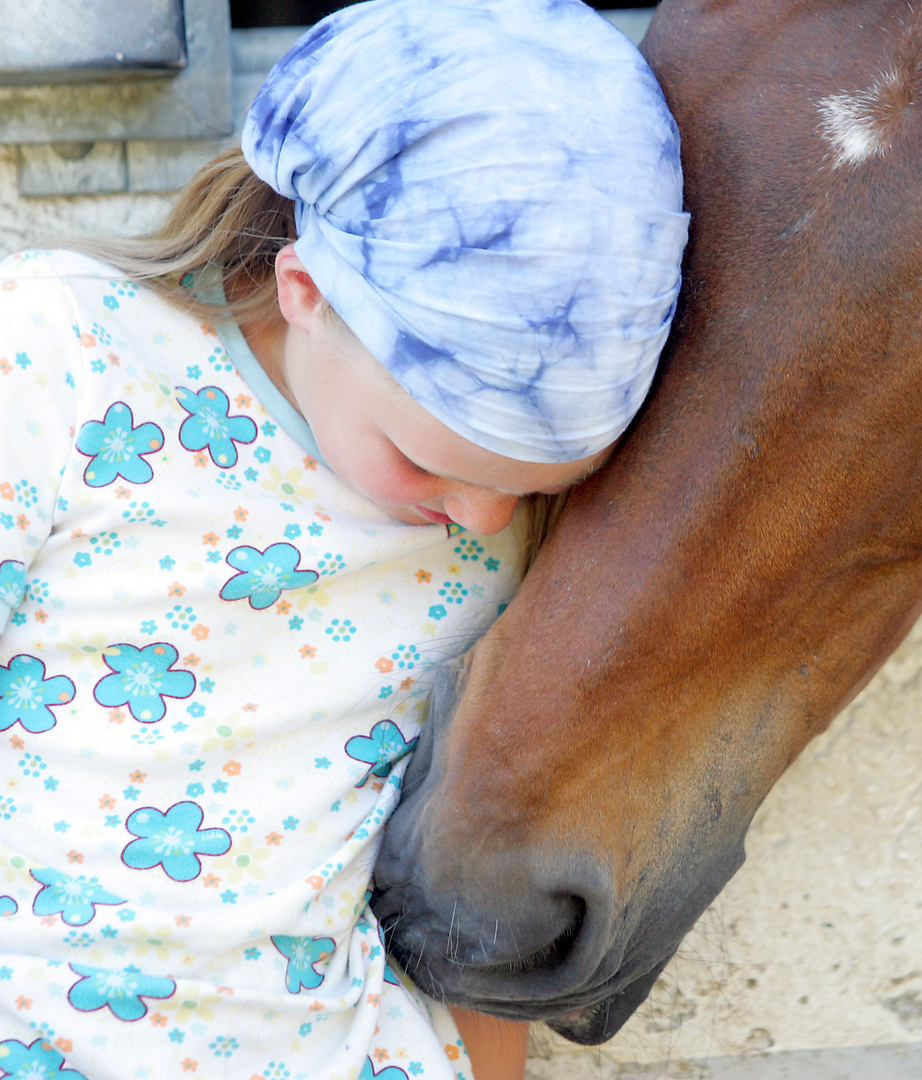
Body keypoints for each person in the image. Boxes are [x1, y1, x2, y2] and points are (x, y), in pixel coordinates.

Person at [0, 1, 688, 1077]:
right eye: (432, 461)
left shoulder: (494, 522)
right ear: (305, 294)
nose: (482, 520)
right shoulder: (61, 361)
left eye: (533, 489)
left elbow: (480, 858)